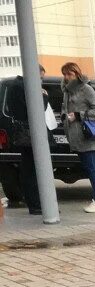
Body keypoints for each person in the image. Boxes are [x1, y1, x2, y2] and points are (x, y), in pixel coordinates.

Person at [61, 62, 95, 213]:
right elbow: (65, 109)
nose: (67, 77)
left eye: (70, 74)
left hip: (86, 135)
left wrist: (78, 115)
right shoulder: (67, 91)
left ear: (77, 74)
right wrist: (64, 117)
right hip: (75, 136)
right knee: (89, 168)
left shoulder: (85, 88)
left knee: (92, 168)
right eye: (65, 74)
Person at [4, 65, 51, 215]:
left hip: (22, 132)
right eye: (40, 77)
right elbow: (36, 109)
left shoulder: (13, 86)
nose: (41, 81)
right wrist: (44, 96)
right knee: (33, 170)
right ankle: (37, 205)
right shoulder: (25, 87)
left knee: (28, 168)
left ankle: (35, 204)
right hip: (31, 133)